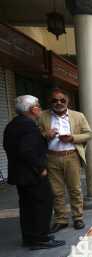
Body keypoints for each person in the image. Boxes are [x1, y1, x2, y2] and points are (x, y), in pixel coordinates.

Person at [3, 95, 65, 249]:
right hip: (32, 175)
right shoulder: (28, 126)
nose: (40, 108)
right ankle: (41, 239)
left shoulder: (13, 124)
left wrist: (44, 138)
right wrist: (41, 168)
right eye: (38, 105)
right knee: (41, 204)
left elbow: (16, 147)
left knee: (27, 207)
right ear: (33, 109)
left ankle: (31, 237)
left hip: (20, 174)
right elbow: (27, 151)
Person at [39, 89, 92, 233]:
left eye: (62, 100)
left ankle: (78, 217)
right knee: (56, 191)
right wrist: (45, 135)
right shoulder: (42, 116)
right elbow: (36, 135)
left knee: (75, 189)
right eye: (55, 100)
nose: (58, 103)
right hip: (51, 157)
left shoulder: (78, 116)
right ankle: (61, 219)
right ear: (50, 102)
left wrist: (72, 138)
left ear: (67, 101)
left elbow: (88, 134)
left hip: (71, 156)